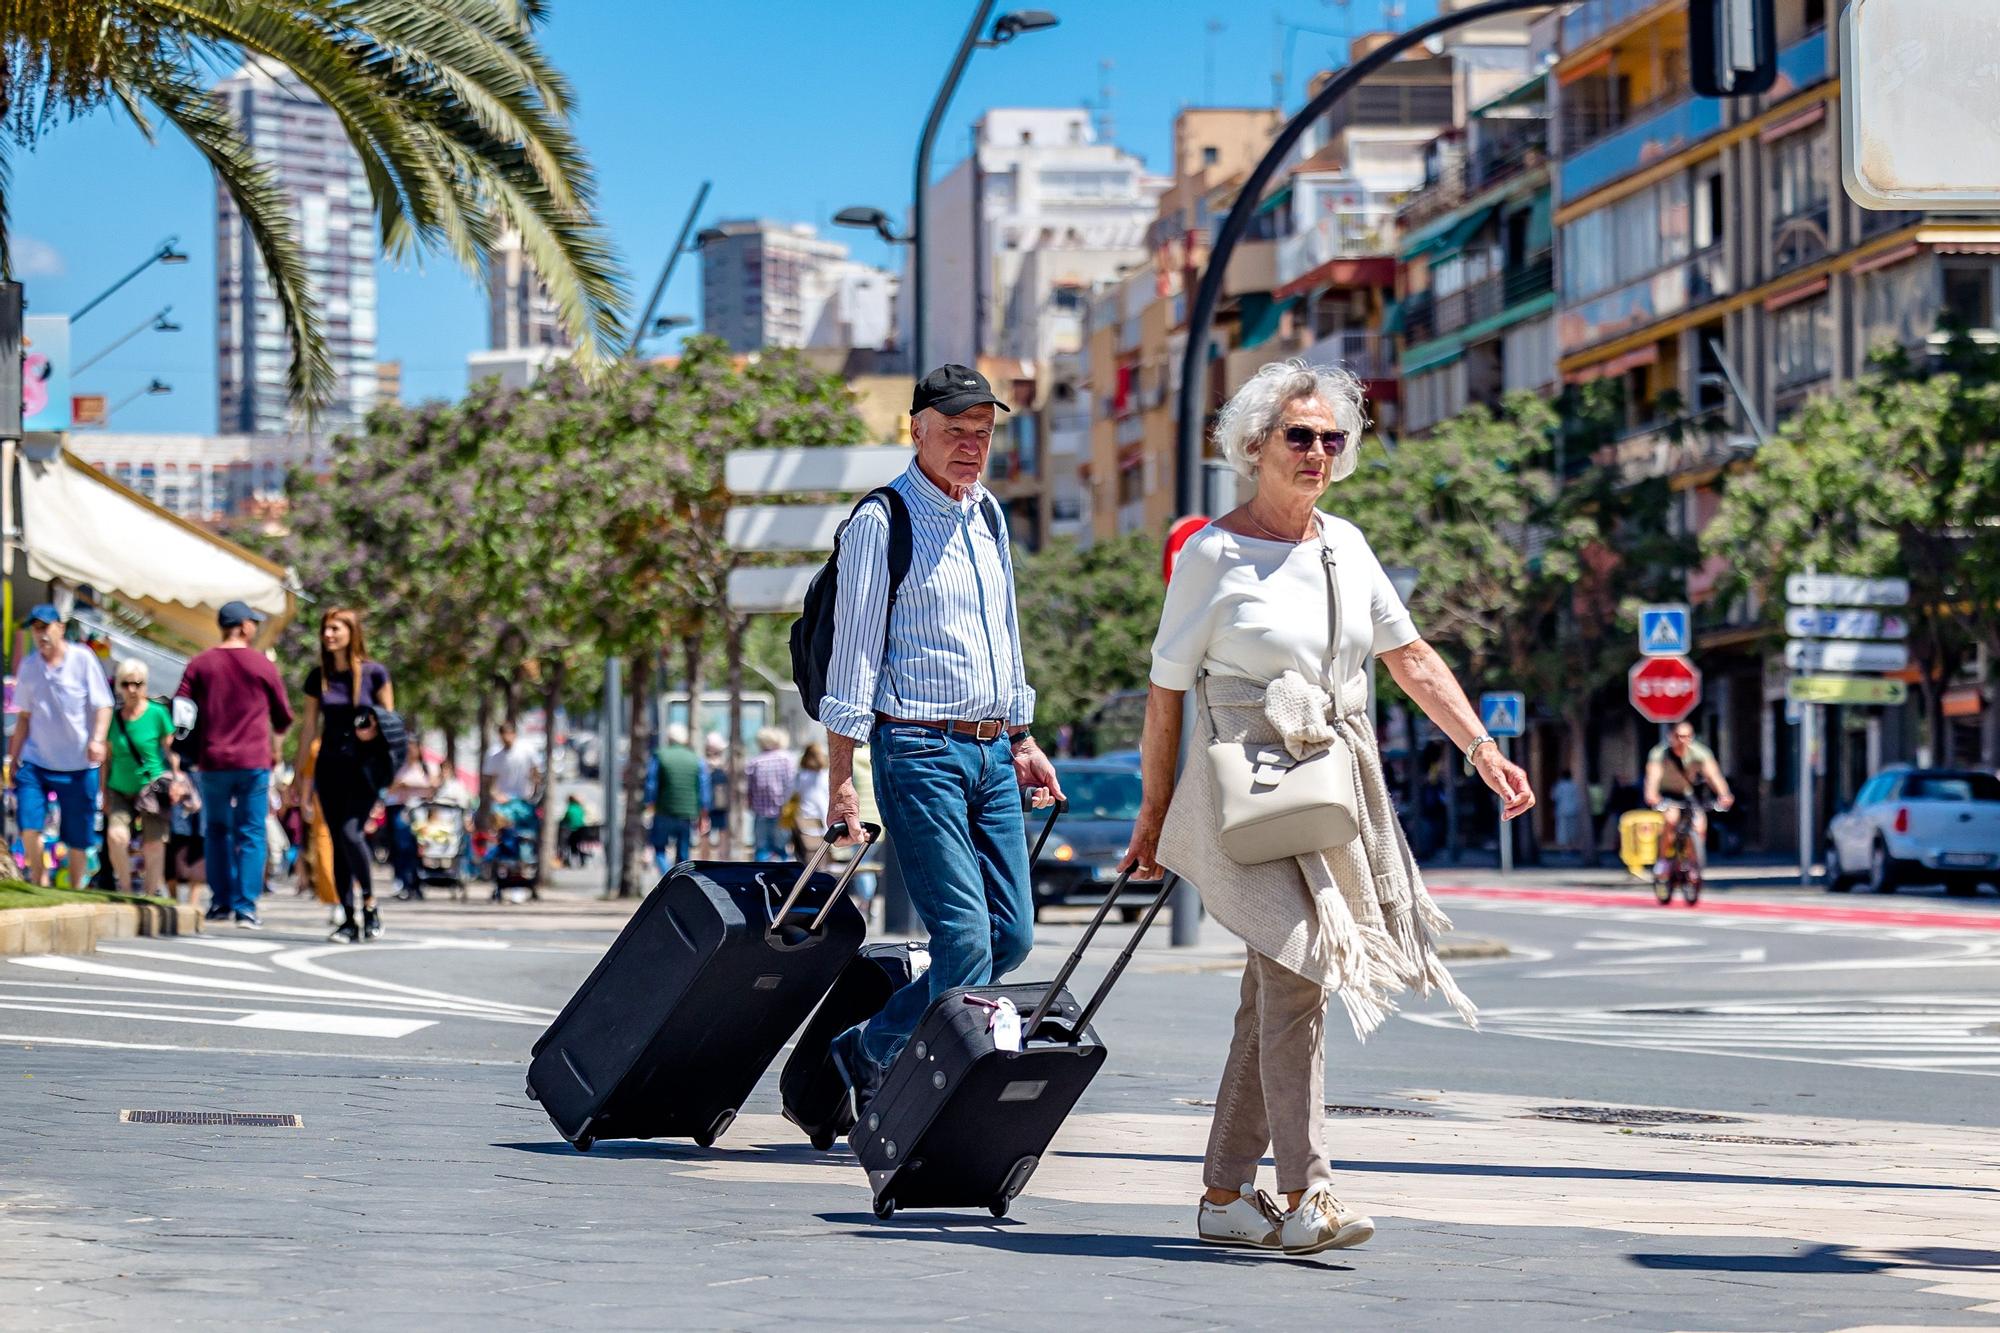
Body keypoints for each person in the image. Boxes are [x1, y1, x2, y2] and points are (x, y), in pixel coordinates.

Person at [1119, 360, 1534, 1257]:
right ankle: (1309, 1191)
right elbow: (1164, 694)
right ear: (1254, 445)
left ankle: (1226, 1195)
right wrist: (1152, 817)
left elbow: (1412, 657)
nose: (1317, 452)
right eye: (1298, 436)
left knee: (1271, 989)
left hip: (1333, 785)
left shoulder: (1345, 545)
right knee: (1301, 972)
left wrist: (1482, 746)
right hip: (1249, 785)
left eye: (1331, 438)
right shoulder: (1211, 553)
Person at [819, 363, 1063, 1121]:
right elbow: (853, 655)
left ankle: (867, 1043)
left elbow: (1007, 638)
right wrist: (841, 778)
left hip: (993, 753)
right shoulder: (880, 522)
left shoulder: (988, 515)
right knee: (962, 941)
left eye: (983, 433)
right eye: (955, 430)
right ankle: (914, 1072)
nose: (970, 445)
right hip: (918, 750)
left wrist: (1023, 736)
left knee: (1010, 936)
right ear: (916, 428)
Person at [174, 601, 293, 926]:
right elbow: (283, 716)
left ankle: (220, 902)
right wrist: (275, 739)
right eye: (253, 622)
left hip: (212, 760)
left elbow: (181, 707)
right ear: (242, 626)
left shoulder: (200, 663)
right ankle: (246, 906)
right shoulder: (262, 665)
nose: (255, 627)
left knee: (216, 830)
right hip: (253, 761)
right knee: (251, 831)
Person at [292, 608, 394, 943]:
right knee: (337, 841)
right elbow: (308, 727)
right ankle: (348, 919)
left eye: (335, 628)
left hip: (363, 769)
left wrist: (373, 731)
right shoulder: (318, 676)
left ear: (352, 632)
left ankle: (370, 904)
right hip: (330, 766)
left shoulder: (375, 673)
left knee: (352, 834)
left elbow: (390, 722)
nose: (328, 634)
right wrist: (298, 774)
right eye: (325, 628)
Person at [7, 605, 114, 889]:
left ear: (60, 628)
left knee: (78, 837)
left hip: (79, 764)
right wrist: (12, 758)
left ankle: (75, 887)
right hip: (36, 761)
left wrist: (98, 739)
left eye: (46, 627)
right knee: (29, 824)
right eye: (36, 628)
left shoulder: (83, 659)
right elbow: (24, 717)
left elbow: (103, 704)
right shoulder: (29, 666)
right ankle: (39, 879)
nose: (41, 634)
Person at [103, 658, 184, 897]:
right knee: (116, 836)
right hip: (119, 787)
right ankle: (126, 889)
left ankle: (150, 894)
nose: (132, 689)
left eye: (137, 684)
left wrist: (177, 781)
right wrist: (103, 792)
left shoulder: (157, 714)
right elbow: (106, 759)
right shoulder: (113, 719)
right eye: (126, 684)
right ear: (119, 686)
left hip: (152, 788)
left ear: (145, 685)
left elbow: (171, 753)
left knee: (154, 843)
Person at [1644, 721, 1735, 876]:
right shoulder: (1660, 753)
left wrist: (1724, 794)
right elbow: (1653, 776)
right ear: (1671, 737)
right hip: (1667, 793)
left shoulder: (1700, 752)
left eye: (1686, 736)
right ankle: (1664, 860)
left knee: (1699, 825)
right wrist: (1651, 794)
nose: (1682, 740)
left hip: (1688, 793)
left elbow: (1713, 775)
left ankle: (1693, 864)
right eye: (1678, 736)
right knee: (1671, 820)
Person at [646, 723, 704, 872]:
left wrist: (649, 804)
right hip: (687, 813)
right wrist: (703, 810)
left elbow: (651, 783)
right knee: (683, 852)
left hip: (664, 810)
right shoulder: (695, 758)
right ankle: (680, 882)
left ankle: (667, 877)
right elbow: (703, 786)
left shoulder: (660, 755)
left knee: (659, 848)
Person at [385, 752, 438, 900]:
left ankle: (416, 882)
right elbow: (388, 787)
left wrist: (411, 786)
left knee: (418, 848)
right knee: (401, 847)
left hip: (422, 811)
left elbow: (433, 787)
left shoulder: (426, 767)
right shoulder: (397, 766)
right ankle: (402, 881)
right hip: (401, 810)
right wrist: (401, 786)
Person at [744, 728, 796, 862]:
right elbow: (792, 785)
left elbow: (750, 790)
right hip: (783, 811)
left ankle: (759, 879)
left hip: (761, 811)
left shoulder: (755, 762)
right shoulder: (787, 759)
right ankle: (783, 881)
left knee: (761, 850)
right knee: (782, 850)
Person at [483, 719, 540, 827]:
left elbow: (536, 773)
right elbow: (489, 780)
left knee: (525, 834)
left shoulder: (527, 750)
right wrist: (496, 795)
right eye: (504, 735)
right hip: (503, 802)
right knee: (502, 832)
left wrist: (534, 793)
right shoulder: (494, 754)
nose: (506, 738)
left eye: (509, 734)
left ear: (514, 734)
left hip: (524, 800)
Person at [789, 742, 830, 859]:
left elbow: (792, 793)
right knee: (821, 858)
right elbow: (822, 801)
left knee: (805, 856)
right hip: (822, 820)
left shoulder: (800, 775)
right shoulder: (825, 776)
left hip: (803, 820)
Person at [699, 732, 730, 857]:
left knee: (704, 833)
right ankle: (721, 861)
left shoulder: (702, 763)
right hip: (721, 803)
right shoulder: (724, 765)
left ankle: (705, 862)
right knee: (722, 833)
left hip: (705, 804)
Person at [1551, 769, 1584, 856]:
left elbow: (1554, 797)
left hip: (1562, 810)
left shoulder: (1559, 785)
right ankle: (1572, 847)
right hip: (1573, 810)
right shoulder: (1574, 785)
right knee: (1572, 830)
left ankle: (1565, 849)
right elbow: (1578, 798)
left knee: (1563, 830)